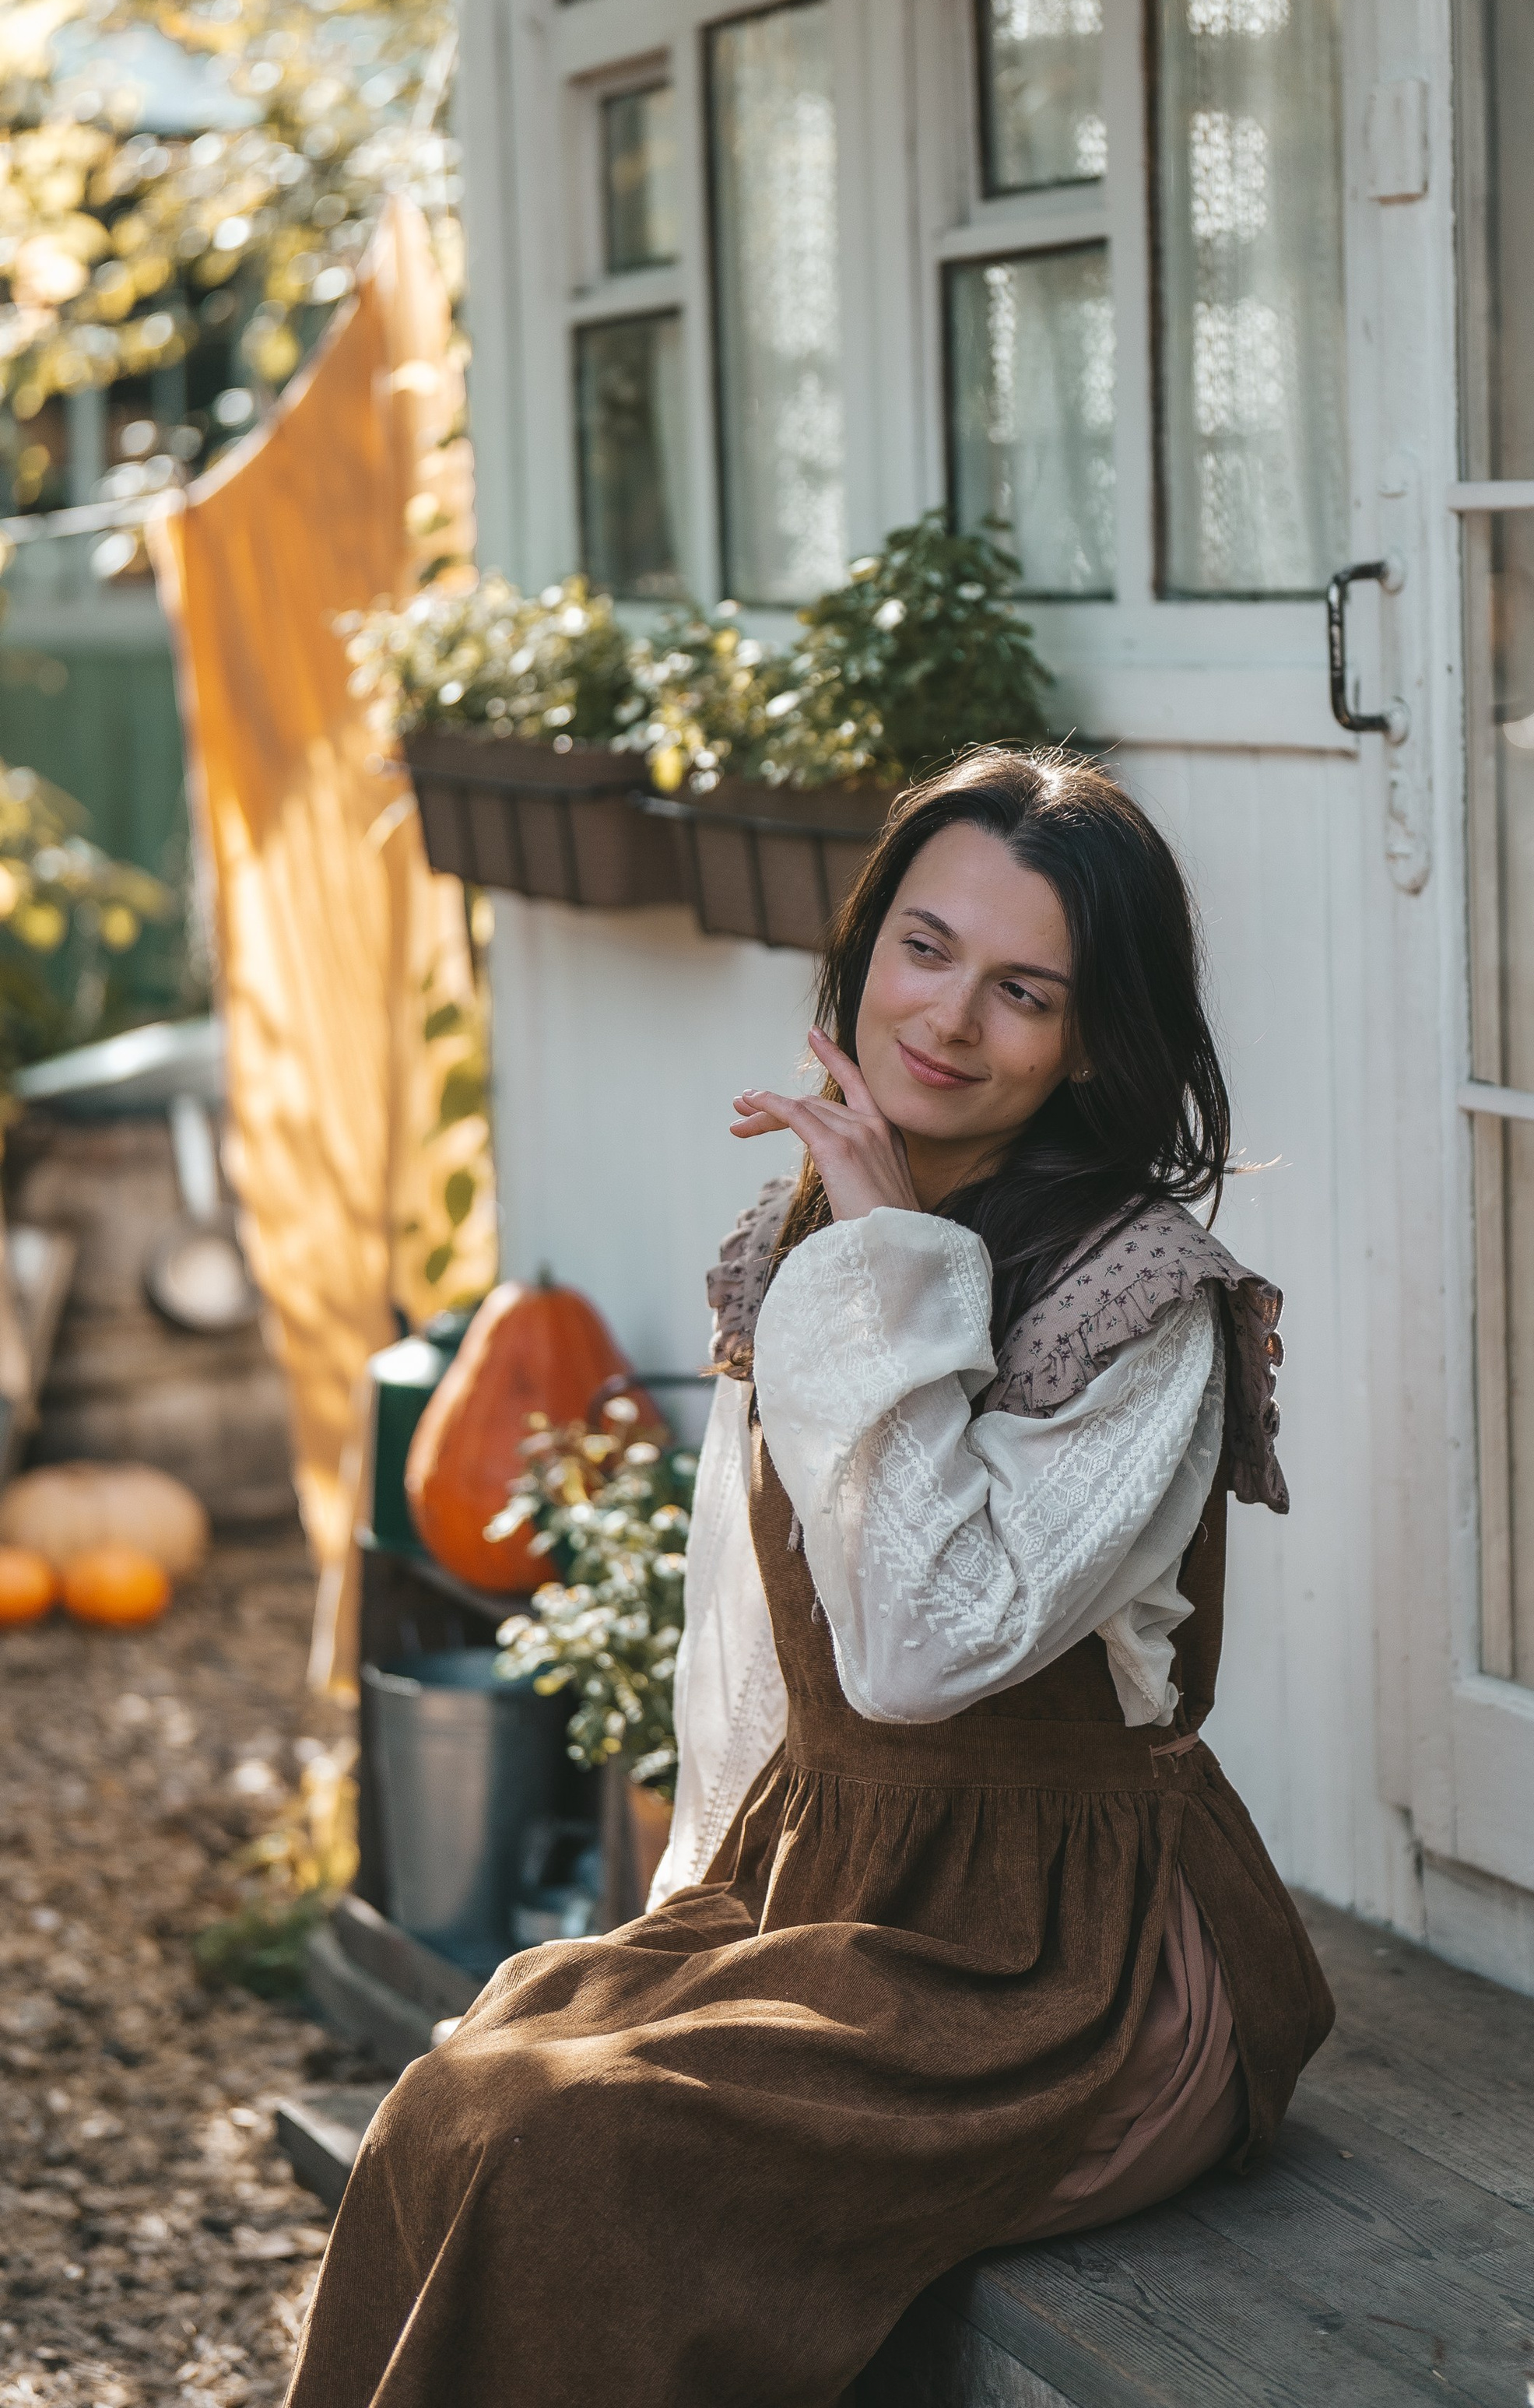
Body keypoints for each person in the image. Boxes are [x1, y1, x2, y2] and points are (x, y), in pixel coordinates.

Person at [286, 747, 1333, 2408]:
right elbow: (746, 1644)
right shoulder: (796, 1245)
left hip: (1066, 1970)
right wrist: (685, 1918)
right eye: (925, 948)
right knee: (459, 2092)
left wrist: (882, 1256)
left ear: (1090, 1041)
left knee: (563, 2155)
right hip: (829, 1888)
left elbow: (921, 1651)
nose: (949, 1021)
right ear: (863, 949)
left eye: (1024, 992)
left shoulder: (1141, 1308)